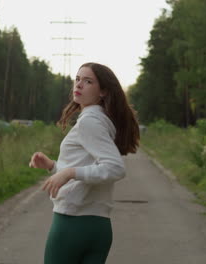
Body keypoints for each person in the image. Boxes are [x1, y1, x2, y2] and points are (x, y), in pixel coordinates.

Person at [29, 62, 140, 264]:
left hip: (72, 224)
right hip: (98, 228)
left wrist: (69, 172)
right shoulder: (101, 120)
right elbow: (88, 166)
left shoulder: (90, 121)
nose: (79, 85)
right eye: (77, 79)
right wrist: (53, 167)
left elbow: (114, 168)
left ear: (103, 91)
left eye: (88, 81)